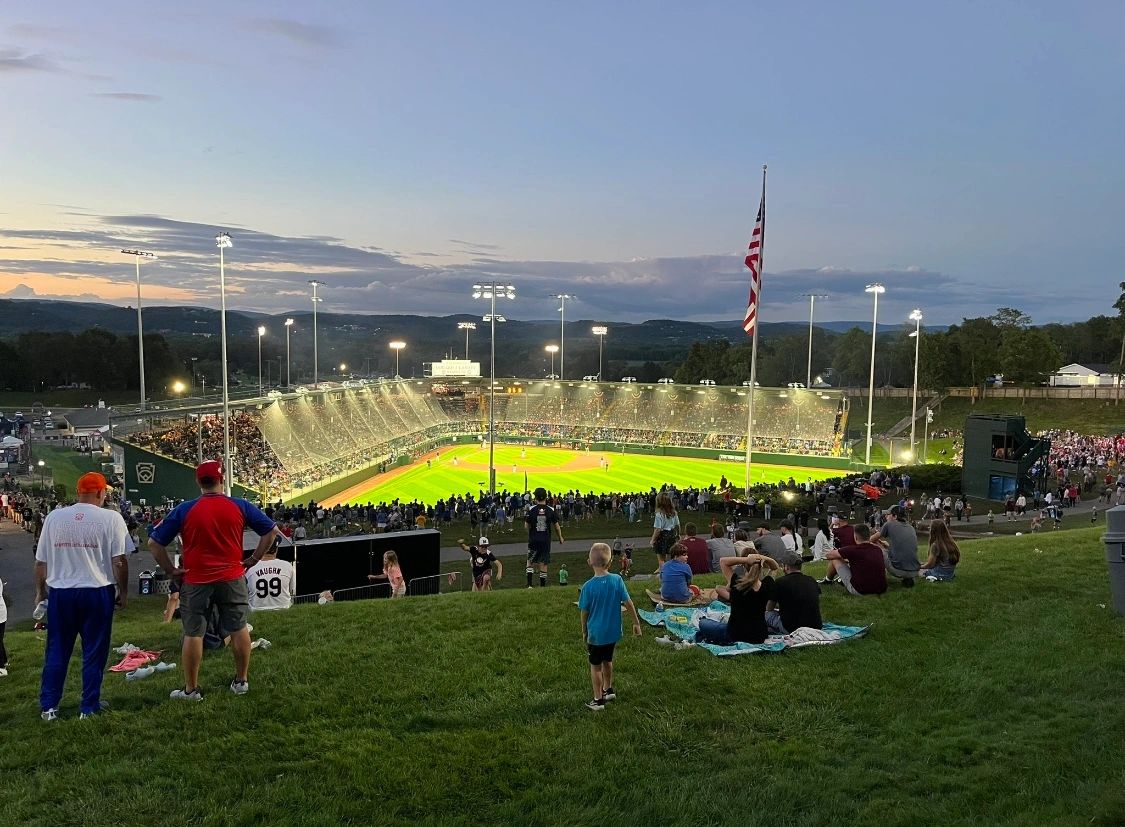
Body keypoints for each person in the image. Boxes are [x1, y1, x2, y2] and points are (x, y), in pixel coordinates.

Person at [148, 461, 281, 702]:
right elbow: (271, 531)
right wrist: (253, 558)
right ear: (222, 479)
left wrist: (170, 571)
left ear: (198, 482)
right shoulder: (239, 505)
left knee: (194, 633)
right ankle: (241, 681)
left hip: (197, 579)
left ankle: (191, 690)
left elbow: (154, 543)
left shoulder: (185, 509)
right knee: (238, 627)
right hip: (232, 577)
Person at [35, 472, 130, 720]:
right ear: (101, 493)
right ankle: (88, 706)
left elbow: (41, 562)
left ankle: (49, 707)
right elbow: (119, 561)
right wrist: (124, 591)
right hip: (97, 591)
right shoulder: (111, 518)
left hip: (61, 593)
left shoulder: (55, 517)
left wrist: (40, 592)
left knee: (57, 649)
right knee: (94, 651)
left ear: (78, 492)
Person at [578, 542, 641, 711]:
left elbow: (584, 612)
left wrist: (584, 630)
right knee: (608, 660)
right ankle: (608, 689)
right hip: (613, 632)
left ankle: (598, 700)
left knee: (595, 666)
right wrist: (636, 623)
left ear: (589, 562)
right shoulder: (617, 580)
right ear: (610, 562)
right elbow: (628, 603)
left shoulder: (587, 587)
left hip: (596, 635)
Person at [698, 554, 779, 645]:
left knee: (703, 622)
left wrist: (746, 560)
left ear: (745, 567)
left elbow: (723, 561)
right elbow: (775, 567)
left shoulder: (737, 583)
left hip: (735, 634)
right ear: (761, 568)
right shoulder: (767, 585)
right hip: (759, 635)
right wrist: (764, 559)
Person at [821, 524, 887, 596]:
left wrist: (842, 554)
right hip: (881, 589)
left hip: (860, 590)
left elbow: (828, 555)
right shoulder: (878, 549)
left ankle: (828, 580)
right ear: (868, 536)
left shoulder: (852, 550)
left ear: (855, 537)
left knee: (835, 559)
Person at [765, 555, 822, 634]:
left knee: (766, 614)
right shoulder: (811, 580)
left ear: (787, 567)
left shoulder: (780, 582)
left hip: (791, 628)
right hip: (815, 626)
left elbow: (769, 608)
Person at [525, 487, 564, 588]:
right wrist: (560, 537)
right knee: (544, 563)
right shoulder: (550, 510)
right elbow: (557, 526)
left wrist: (530, 532)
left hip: (533, 539)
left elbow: (526, 525)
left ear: (535, 497)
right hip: (545, 540)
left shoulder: (531, 509)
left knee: (530, 561)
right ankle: (542, 586)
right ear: (546, 497)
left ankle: (529, 585)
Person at [875, 505, 920, 588]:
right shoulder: (911, 527)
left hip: (898, 570)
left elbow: (870, 539)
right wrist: (888, 546)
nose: (886, 516)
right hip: (914, 571)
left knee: (877, 549)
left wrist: (877, 543)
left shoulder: (889, 524)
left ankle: (874, 579)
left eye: (888, 514)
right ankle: (907, 579)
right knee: (888, 550)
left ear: (895, 516)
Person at [245, 539, 296, 610]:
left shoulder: (250, 568)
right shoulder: (288, 566)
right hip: (283, 609)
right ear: (276, 549)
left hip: (256, 611)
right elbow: (292, 591)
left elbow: (245, 593)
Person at [650, 491, 680, 571]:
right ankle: (670, 569)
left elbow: (658, 529)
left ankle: (662, 570)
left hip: (662, 536)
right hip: (672, 534)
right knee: (671, 554)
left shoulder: (659, 514)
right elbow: (677, 525)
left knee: (661, 557)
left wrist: (653, 540)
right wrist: (678, 535)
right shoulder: (674, 513)